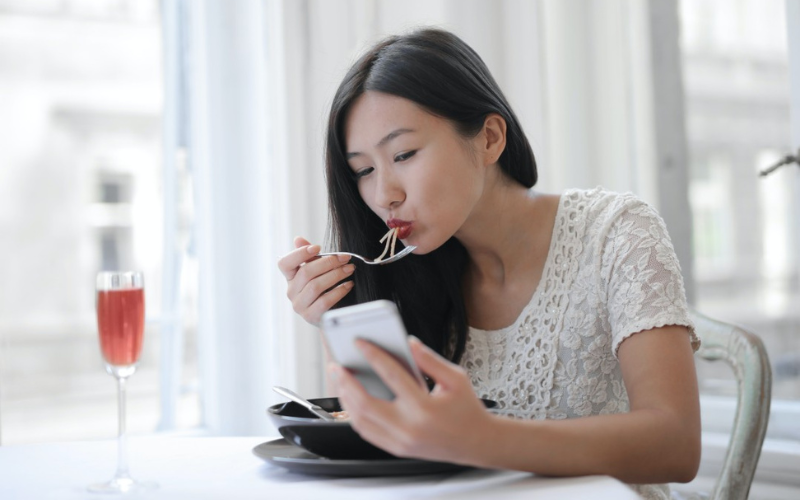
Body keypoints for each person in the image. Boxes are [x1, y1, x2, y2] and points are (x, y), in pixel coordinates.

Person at [277, 27, 700, 500]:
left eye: (403, 154)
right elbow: (391, 449)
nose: (384, 194)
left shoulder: (616, 233)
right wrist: (339, 321)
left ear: (490, 139)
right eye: (364, 170)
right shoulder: (407, 275)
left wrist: (483, 440)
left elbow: (676, 445)